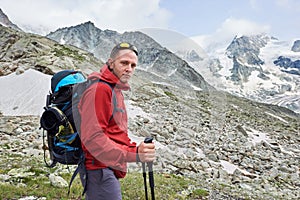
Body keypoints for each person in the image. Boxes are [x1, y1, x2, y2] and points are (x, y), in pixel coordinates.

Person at [78, 42, 156, 199]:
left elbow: (116, 132)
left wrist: (137, 149)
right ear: (111, 62)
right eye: (124, 63)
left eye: (133, 65)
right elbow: (93, 139)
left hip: (107, 167)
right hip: (98, 169)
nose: (129, 69)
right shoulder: (100, 90)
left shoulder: (116, 90)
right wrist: (134, 154)